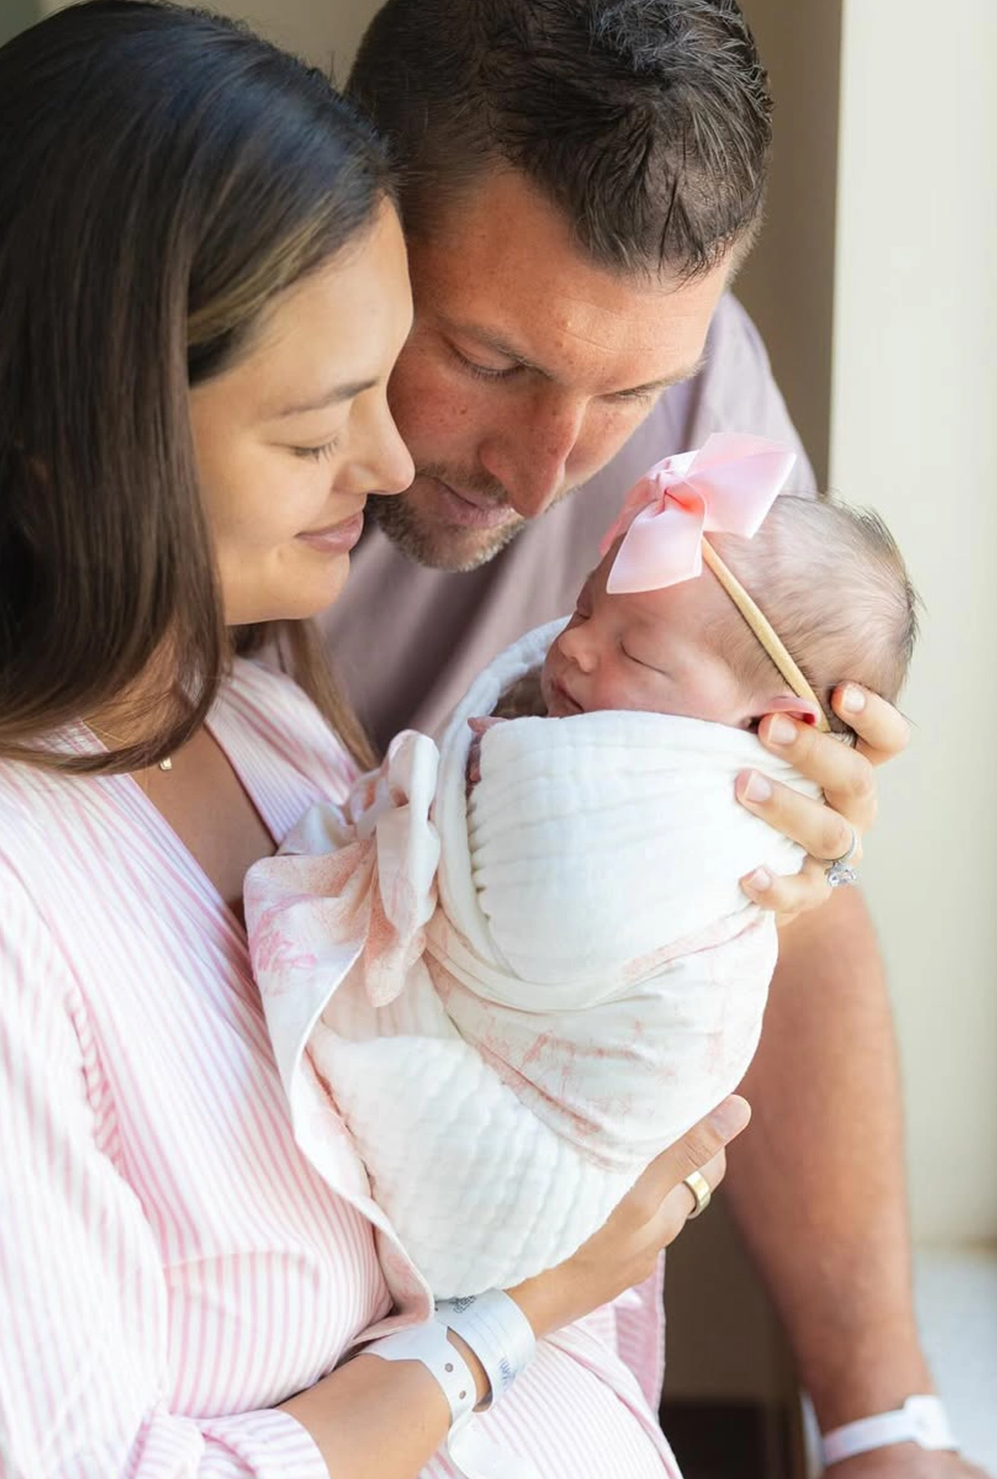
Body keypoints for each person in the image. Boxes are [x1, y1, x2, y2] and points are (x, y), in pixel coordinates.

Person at [0, 0, 981, 1479]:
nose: (553, 476)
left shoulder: (263, 715)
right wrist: (505, 1320)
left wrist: (882, 1423)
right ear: (359, 208)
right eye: (482, 358)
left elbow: (765, 902)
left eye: (628, 396)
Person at [244, 436, 919, 1311]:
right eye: (581, 610)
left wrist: (473, 799)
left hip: (535, 1130)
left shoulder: (690, 815)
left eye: (636, 657)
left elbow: (561, 903)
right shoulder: (669, 626)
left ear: (774, 725)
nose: (574, 652)